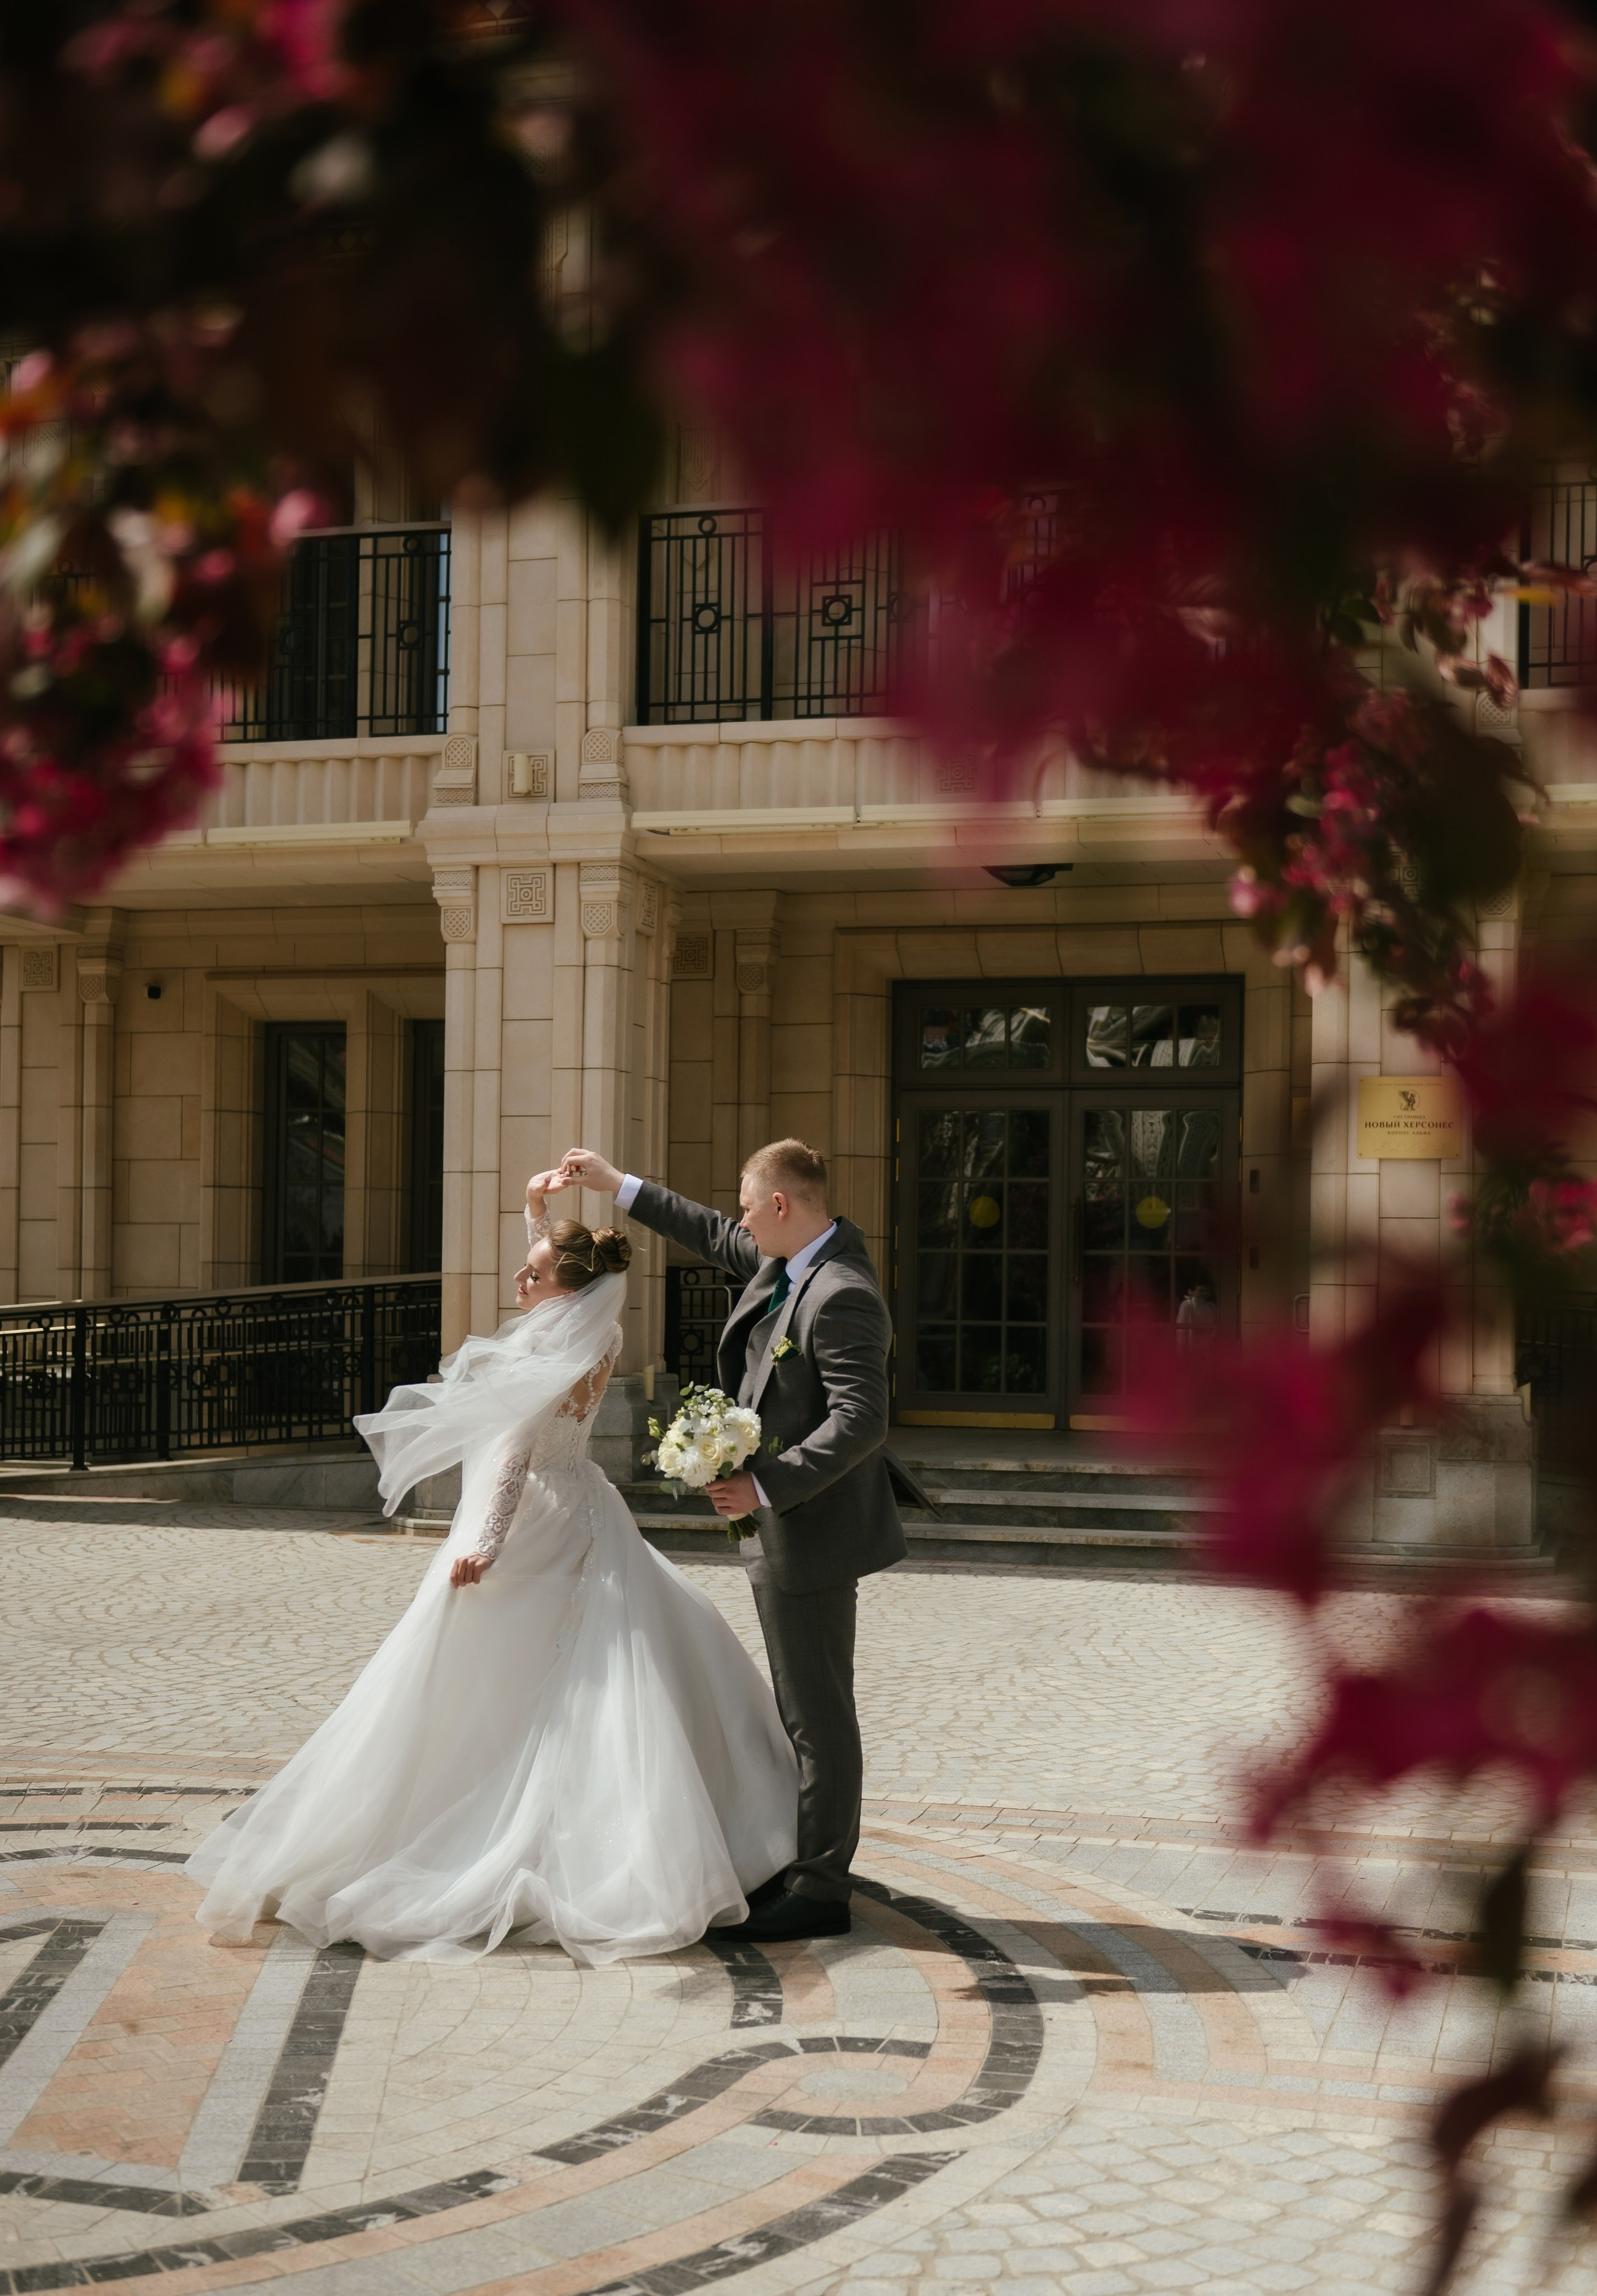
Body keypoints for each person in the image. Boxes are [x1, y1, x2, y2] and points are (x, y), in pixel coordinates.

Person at [185, 1171, 798, 1965]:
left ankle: (470, 1833)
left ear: (565, 1290)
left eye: (532, 1274)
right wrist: (537, 1215)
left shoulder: (547, 1343)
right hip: (586, 1506)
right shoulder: (597, 1332)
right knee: (596, 1662)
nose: (519, 1279)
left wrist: (487, 1541)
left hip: (535, 1516)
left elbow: (510, 1453)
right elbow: (559, 1279)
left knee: (484, 1673)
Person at [555, 1138, 906, 1944]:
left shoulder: (841, 1290)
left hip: (812, 1530)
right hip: (781, 1527)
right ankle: (807, 1857)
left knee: (817, 1715)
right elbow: (706, 1231)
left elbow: (862, 1420)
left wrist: (766, 1485)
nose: (739, 1222)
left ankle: (821, 1890)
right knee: (801, 1707)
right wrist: (615, 1183)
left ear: (781, 1204)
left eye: (749, 1207)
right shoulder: (788, 1260)